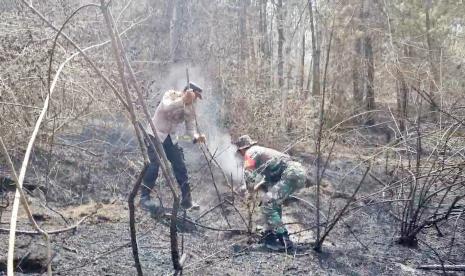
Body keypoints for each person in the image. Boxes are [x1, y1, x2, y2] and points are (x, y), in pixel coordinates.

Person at [141, 82, 205, 211]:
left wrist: (196, 137)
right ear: (189, 92)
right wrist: (183, 100)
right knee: (154, 165)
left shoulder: (191, 108)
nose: (196, 99)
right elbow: (166, 108)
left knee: (180, 166)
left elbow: (190, 128)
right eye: (195, 96)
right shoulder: (170, 95)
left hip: (170, 137)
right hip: (155, 134)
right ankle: (144, 198)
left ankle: (187, 201)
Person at [235, 135, 306, 251]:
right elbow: (269, 181)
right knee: (272, 204)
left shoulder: (251, 151)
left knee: (267, 204)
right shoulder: (264, 154)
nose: (241, 155)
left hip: (290, 173)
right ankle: (270, 234)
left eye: (240, 152)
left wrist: (248, 190)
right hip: (297, 172)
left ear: (243, 148)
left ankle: (284, 239)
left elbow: (248, 174)